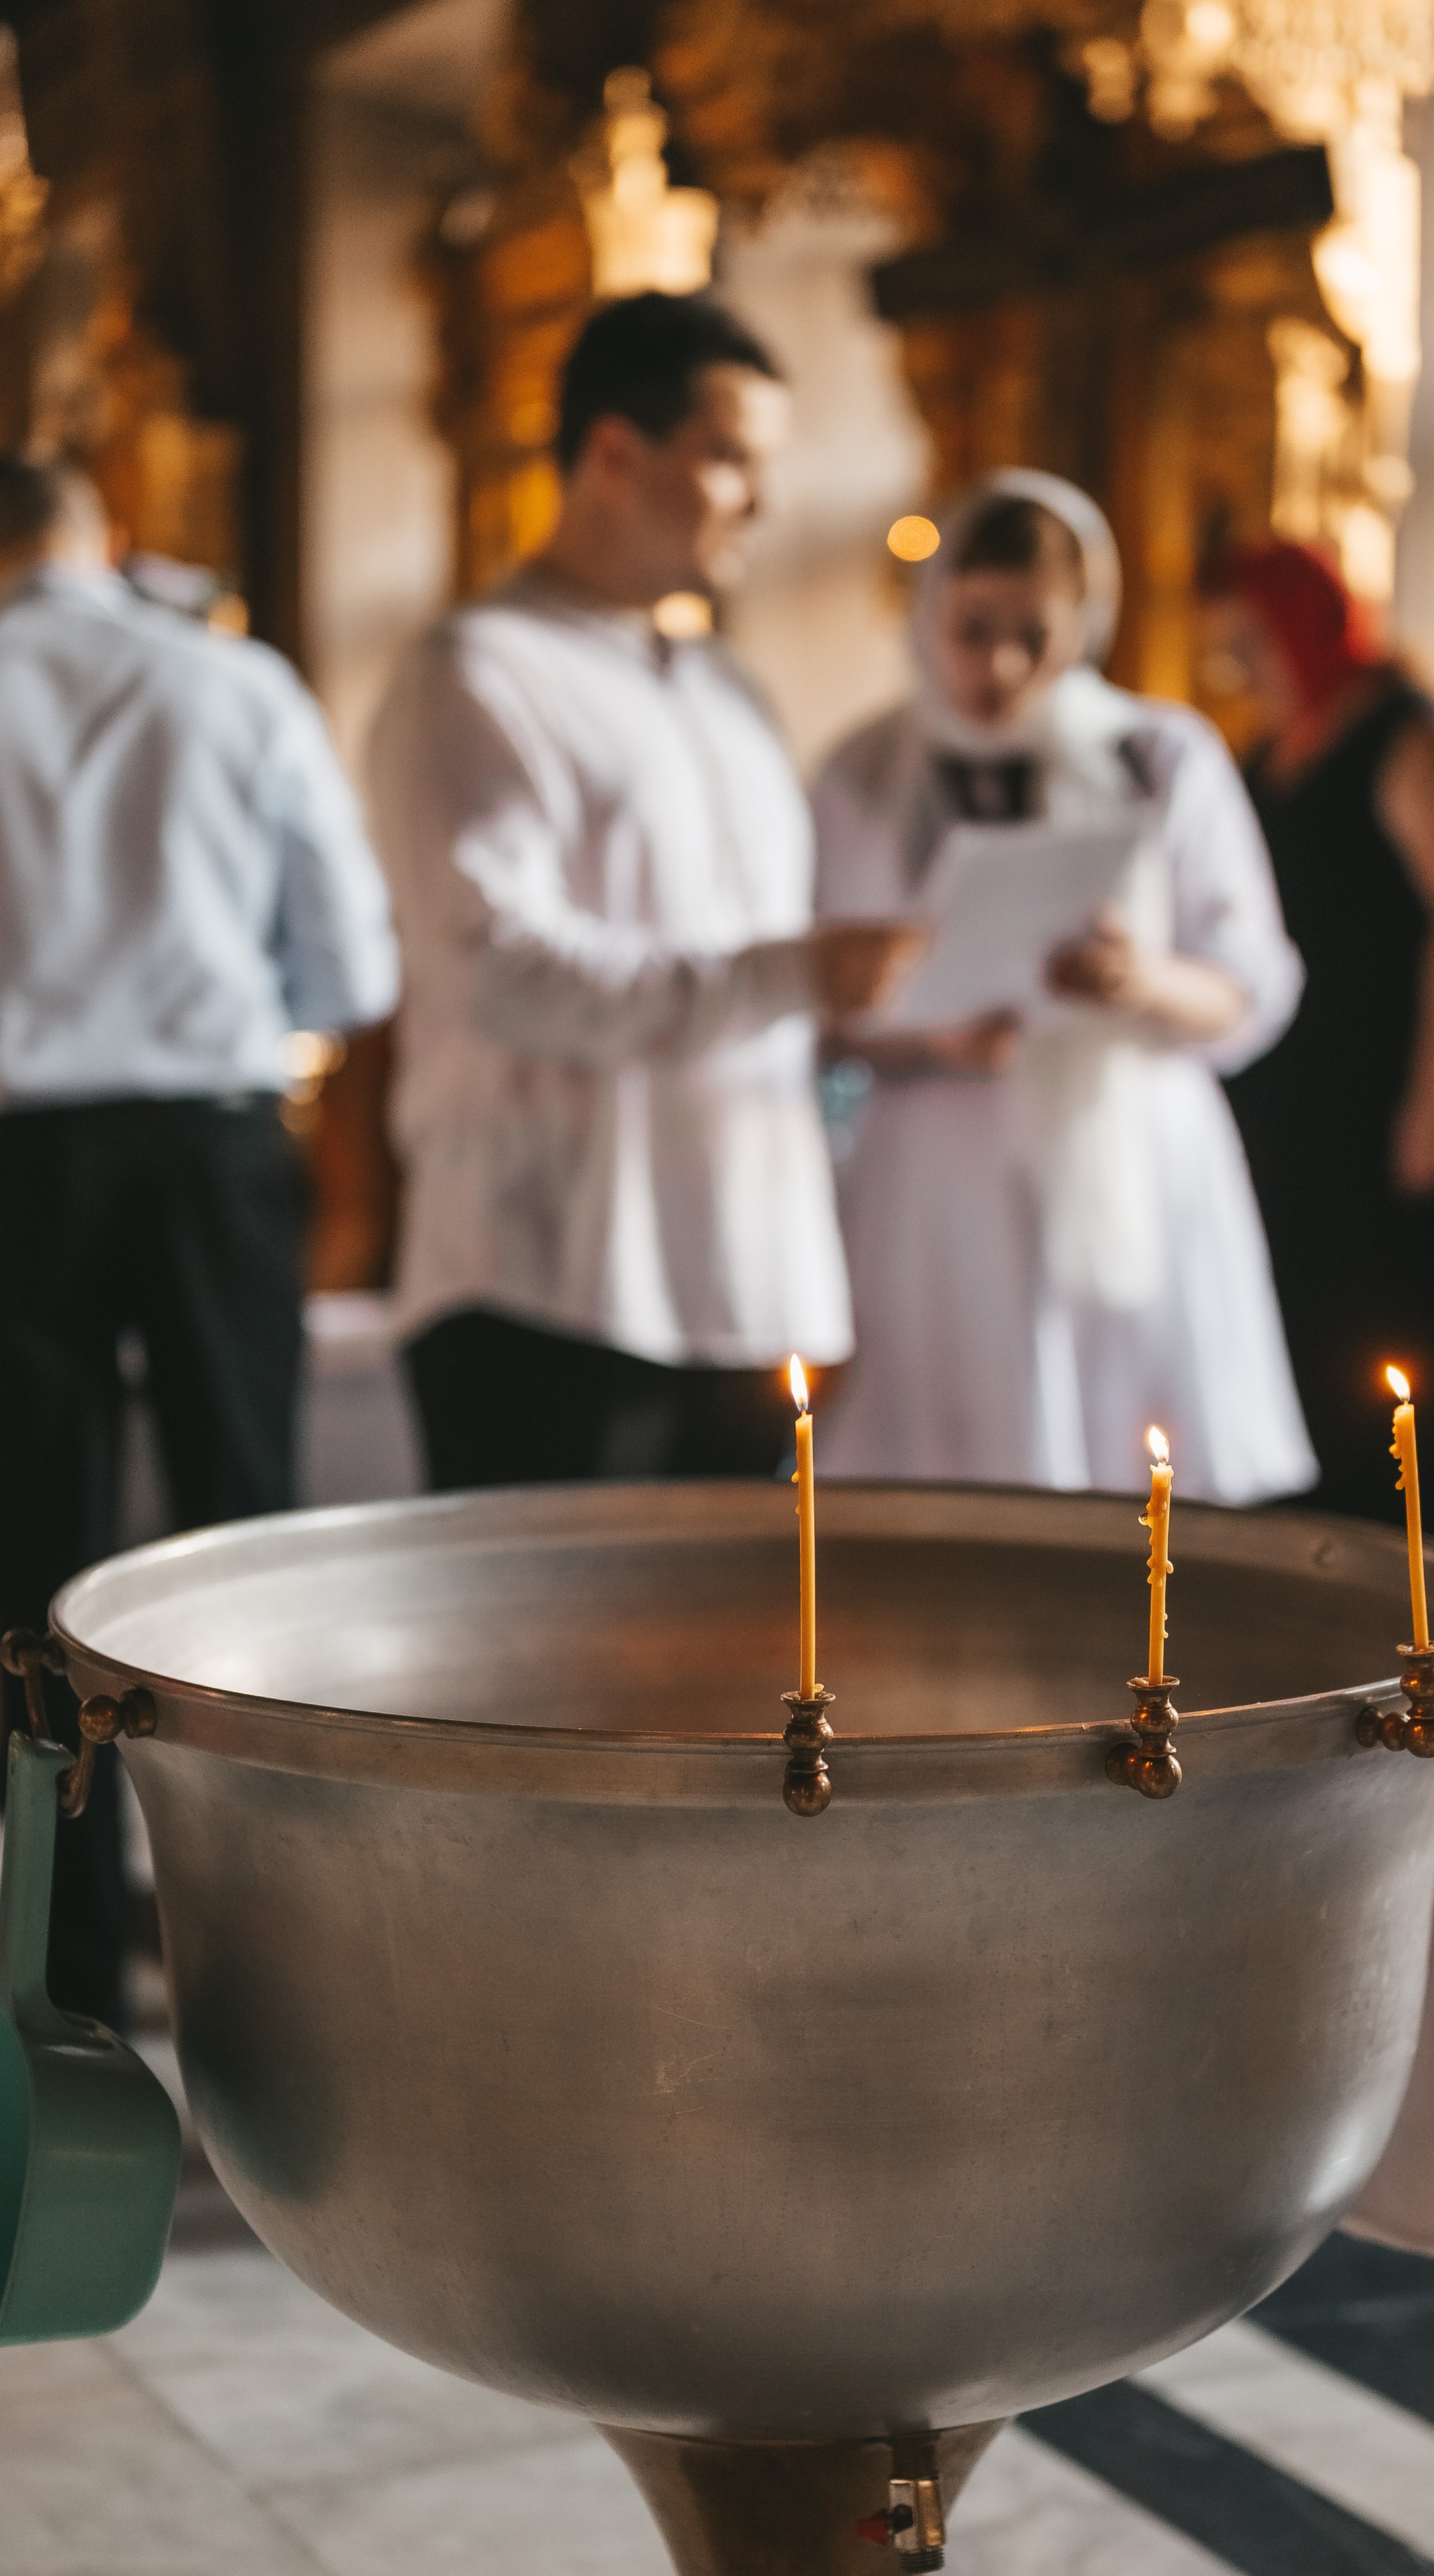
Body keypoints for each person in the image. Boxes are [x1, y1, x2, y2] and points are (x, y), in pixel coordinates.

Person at [370, 292, 921, 1490]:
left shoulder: (731, 692)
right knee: (535, 1679)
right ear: (613, 453)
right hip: (554, 1283)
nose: (763, 504)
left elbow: (760, 974)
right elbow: (502, 972)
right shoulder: (477, 674)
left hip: (749, 1277)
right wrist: (791, 974)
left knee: (752, 1676)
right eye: (729, 460)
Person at [0, 453, 399, 2028]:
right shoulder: (234, 682)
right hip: (210, 1137)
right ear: (104, 535)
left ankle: (66, 1978)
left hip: (15, 1157)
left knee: (36, 1559)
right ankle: (263, 1974)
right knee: (244, 1536)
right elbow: (349, 968)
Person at [812, 470, 1316, 1500]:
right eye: (973, 627)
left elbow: (1251, 983)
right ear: (930, 610)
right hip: (938, 1166)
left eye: (1033, 634)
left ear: (1084, 624)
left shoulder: (1162, 754)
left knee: (1141, 1483)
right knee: (955, 1483)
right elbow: (812, 1005)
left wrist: (1141, 982)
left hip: (1133, 1147)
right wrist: (933, 1040)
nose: (998, 663)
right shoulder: (861, 771)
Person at [1201, 537, 1434, 1548]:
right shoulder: (1262, 751)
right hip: (1294, 1095)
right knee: (1301, 1324)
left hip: (1394, 1087)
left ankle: (1427, 1572)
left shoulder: (1417, 740)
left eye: (1252, 643)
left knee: (1397, 1326)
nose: (1240, 669)